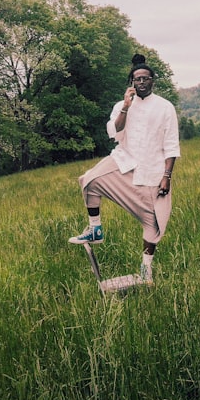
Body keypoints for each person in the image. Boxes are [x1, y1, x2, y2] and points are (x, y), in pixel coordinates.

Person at [69, 53, 180, 284]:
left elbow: (171, 145)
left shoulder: (165, 107)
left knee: (153, 222)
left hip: (152, 171)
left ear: (152, 81)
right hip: (123, 161)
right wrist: (126, 106)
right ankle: (95, 229)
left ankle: (146, 270)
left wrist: (167, 176)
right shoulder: (121, 105)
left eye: (145, 79)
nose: (141, 82)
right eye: (137, 79)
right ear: (131, 82)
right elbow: (114, 132)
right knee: (89, 180)